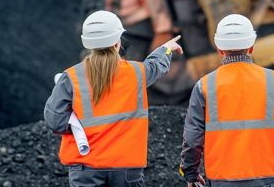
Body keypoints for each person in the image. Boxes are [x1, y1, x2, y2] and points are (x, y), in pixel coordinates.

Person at [44, 10, 183, 187]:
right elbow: (156, 66)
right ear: (117, 42)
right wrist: (166, 48)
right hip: (126, 168)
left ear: (88, 43)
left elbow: (54, 121)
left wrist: (77, 126)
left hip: (85, 168)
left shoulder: (71, 77)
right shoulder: (136, 73)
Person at [180, 14, 274, 187]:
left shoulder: (204, 85)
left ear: (219, 49)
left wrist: (191, 173)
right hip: (265, 179)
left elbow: (192, 138)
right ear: (251, 47)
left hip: (221, 180)